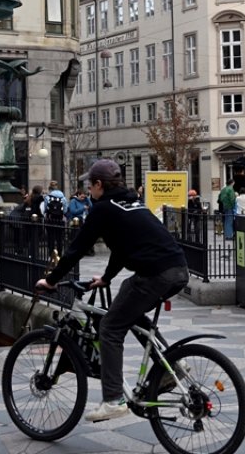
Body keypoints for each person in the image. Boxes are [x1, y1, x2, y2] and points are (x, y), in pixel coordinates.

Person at [35, 159, 189, 423]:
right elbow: (121, 248)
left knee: (109, 327)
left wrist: (51, 279)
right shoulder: (132, 203)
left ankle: (113, 399)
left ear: (98, 185)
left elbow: (77, 248)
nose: (87, 189)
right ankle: (173, 363)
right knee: (129, 306)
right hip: (177, 270)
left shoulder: (103, 209)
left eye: (89, 184)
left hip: (155, 274)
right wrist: (106, 278)